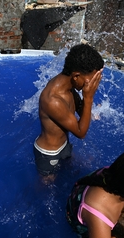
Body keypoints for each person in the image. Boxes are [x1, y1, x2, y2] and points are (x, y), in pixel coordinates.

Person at [34, 44, 104, 176]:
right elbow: (80, 133)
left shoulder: (69, 87)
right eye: (91, 80)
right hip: (49, 154)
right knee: (47, 186)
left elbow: (80, 111)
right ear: (76, 76)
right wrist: (88, 98)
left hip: (64, 144)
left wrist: (89, 106)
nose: (93, 84)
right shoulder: (53, 100)